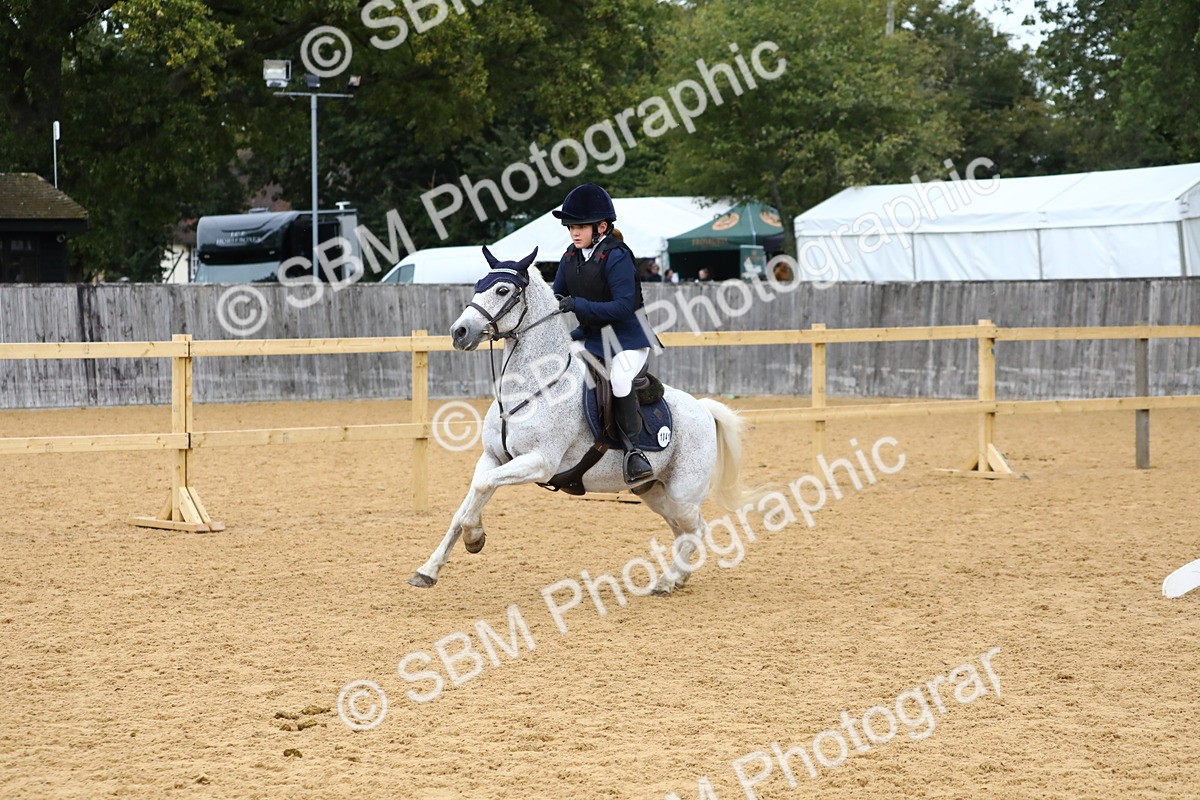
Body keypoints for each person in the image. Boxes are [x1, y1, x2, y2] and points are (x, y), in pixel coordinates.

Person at [552, 183, 657, 484]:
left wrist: (578, 304)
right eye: (570, 226)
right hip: (592, 336)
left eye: (580, 226)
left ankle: (633, 453)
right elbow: (556, 294)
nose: (574, 232)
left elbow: (624, 306)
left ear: (601, 226)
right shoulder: (571, 256)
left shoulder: (617, 255)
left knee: (620, 378)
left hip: (627, 339)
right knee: (560, 364)